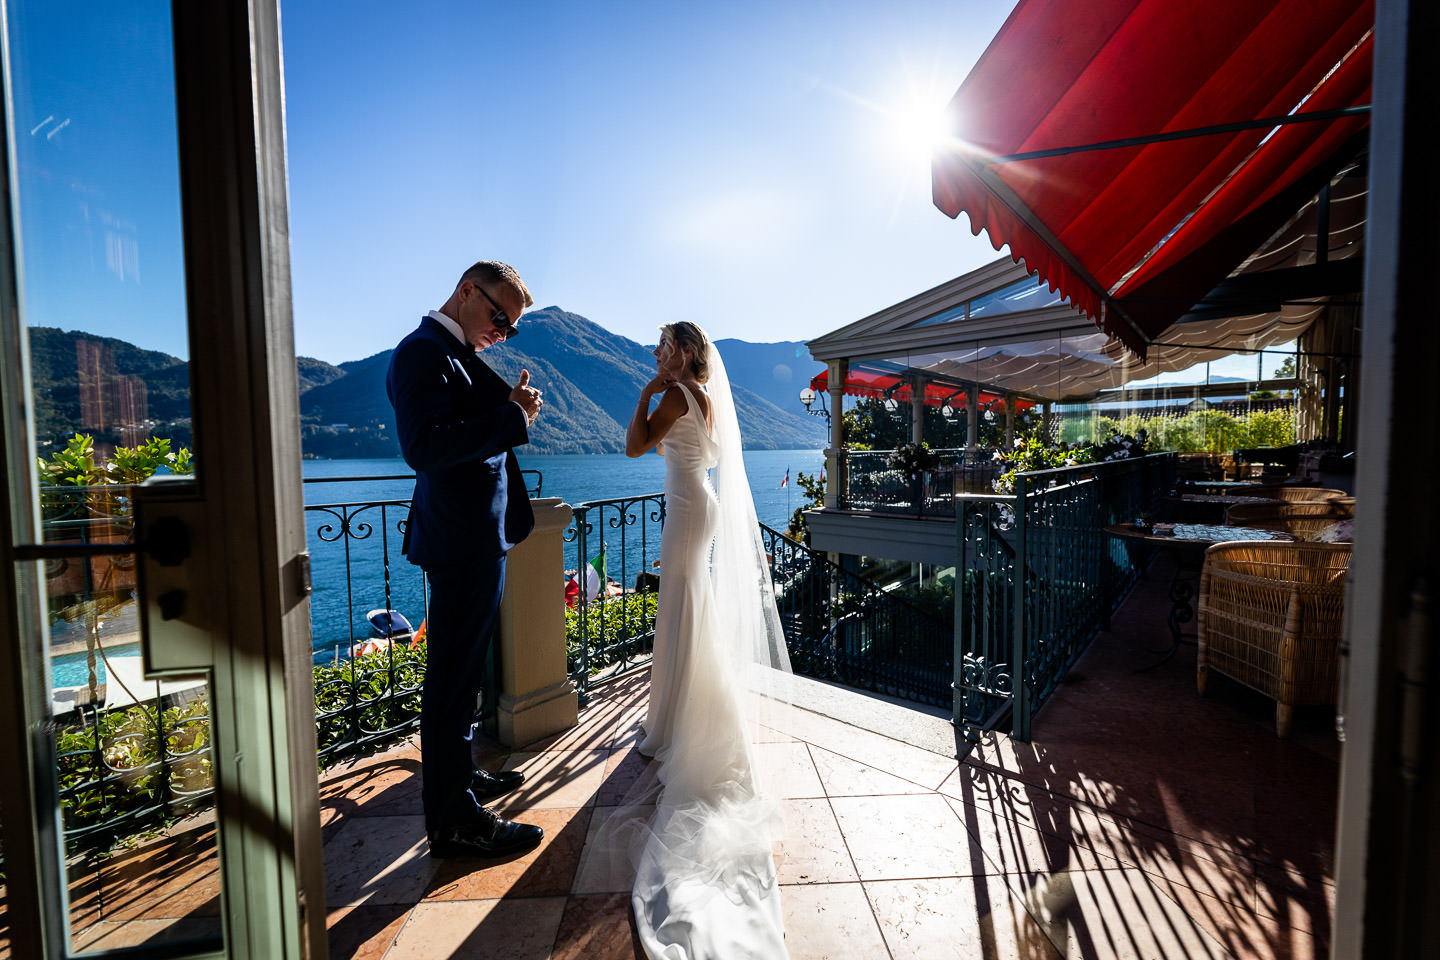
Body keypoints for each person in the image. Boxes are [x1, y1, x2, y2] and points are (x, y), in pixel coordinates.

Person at [618, 321, 793, 959]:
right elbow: (708, 454)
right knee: (687, 612)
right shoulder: (705, 398)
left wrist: (642, 394)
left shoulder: (671, 397)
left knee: (681, 612)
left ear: (686, 352)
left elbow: (635, 447)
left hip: (688, 509)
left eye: (663, 346)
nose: (656, 353)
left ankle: (675, 723)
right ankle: (680, 711)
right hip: (701, 503)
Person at [386, 260, 546, 859]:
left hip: (479, 539)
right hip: (459, 542)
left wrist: (505, 406)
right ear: (464, 291)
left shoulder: (452, 353)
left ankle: (459, 775)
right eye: (498, 317)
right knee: (451, 679)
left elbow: (463, 425)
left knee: (466, 671)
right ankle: (453, 820)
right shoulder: (420, 353)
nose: (501, 333)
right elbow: (424, 447)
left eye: (511, 329)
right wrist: (510, 417)